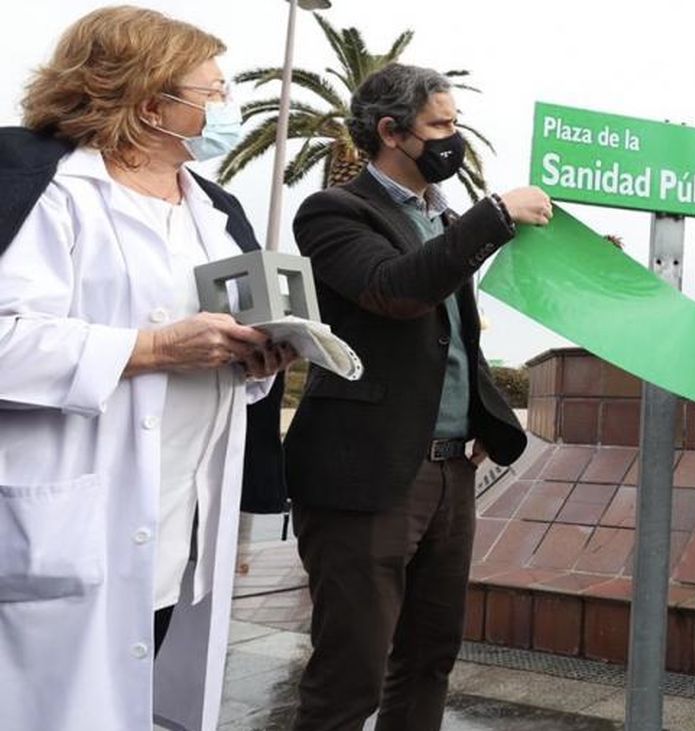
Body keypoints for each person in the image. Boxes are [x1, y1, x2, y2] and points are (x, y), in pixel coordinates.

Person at [0, 7, 298, 730]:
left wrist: (258, 359)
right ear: (148, 100)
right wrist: (154, 349)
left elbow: (221, 343)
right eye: (212, 93)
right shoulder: (40, 185)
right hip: (67, 518)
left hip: (173, 529)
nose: (222, 108)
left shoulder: (214, 210)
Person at [285, 63, 553, 731]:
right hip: (366, 473)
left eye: (455, 123)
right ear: (390, 132)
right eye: (440, 125)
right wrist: (495, 216)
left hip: (452, 472)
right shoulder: (335, 212)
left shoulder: (446, 219)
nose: (453, 138)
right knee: (352, 672)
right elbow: (396, 289)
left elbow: (458, 340)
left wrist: (484, 415)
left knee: (430, 656)